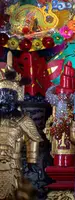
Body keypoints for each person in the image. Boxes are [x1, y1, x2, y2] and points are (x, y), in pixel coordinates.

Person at [0, 70, 41, 200]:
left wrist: (31, 159)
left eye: (9, 95)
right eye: (2, 94)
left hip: (13, 164)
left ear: (15, 97)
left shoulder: (23, 120)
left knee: (12, 192)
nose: (5, 98)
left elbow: (33, 138)